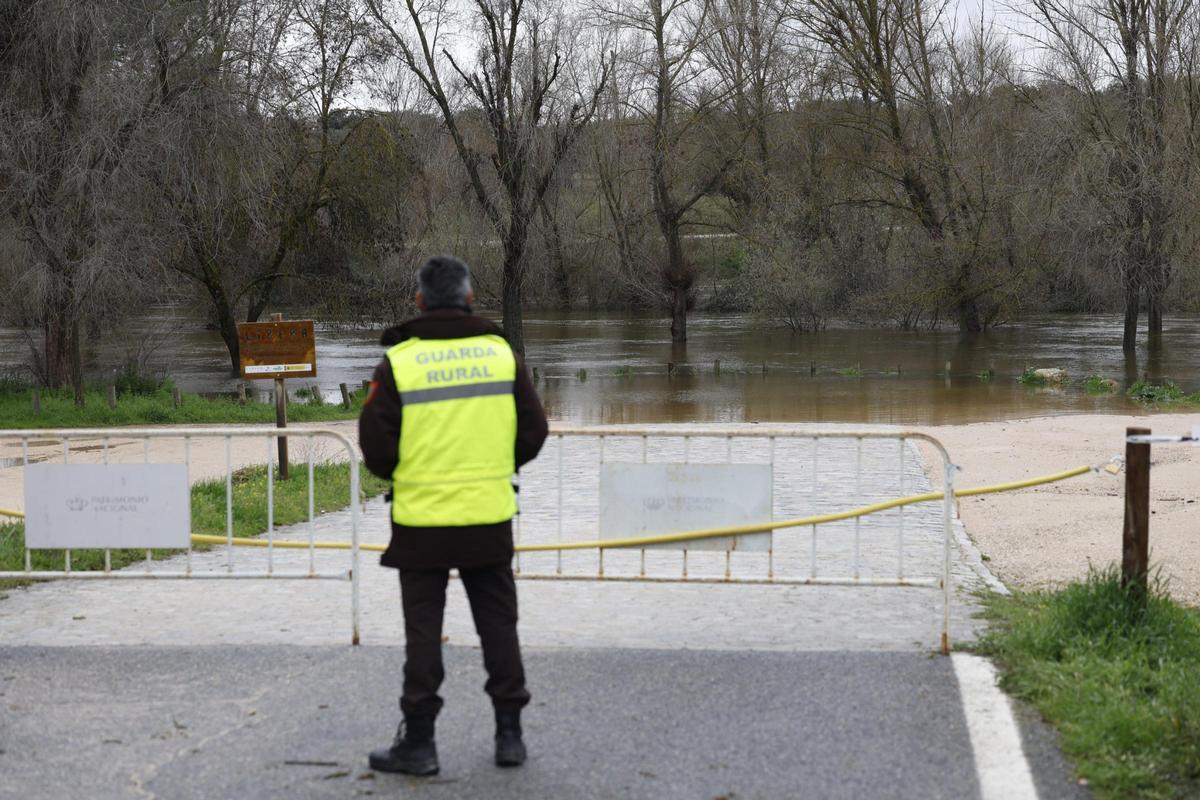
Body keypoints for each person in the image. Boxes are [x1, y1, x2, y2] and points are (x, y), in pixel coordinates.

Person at [358, 255, 548, 776]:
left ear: (419, 301)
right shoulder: (500, 356)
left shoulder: (398, 363)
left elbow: (374, 447)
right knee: (499, 627)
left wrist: (409, 473)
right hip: (488, 519)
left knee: (423, 634)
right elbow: (534, 433)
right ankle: (510, 737)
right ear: (468, 299)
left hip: (420, 526)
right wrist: (493, 466)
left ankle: (419, 745)